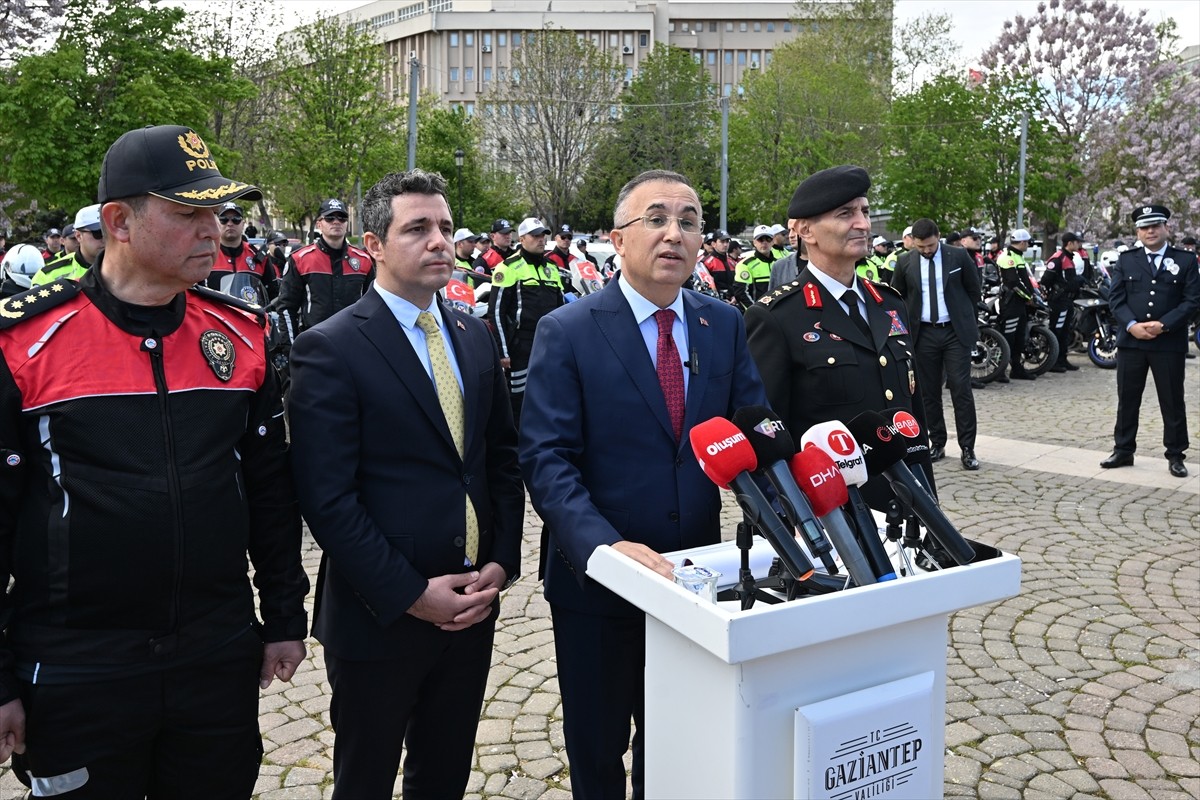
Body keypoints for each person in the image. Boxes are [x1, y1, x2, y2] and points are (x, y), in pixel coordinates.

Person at [0, 123, 308, 798]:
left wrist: (285, 615)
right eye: (188, 212)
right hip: (78, 665)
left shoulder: (241, 335)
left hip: (215, 653)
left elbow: (269, 487)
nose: (214, 228)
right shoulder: (24, 343)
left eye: (218, 212)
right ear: (118, 221)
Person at [520, 169, 767, 800]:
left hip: (695, 578)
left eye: (689, 221)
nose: (674, 234)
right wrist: (604, 547)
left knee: (675, 741)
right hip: (598, 580)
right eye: (655, 219)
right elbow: (547, 458)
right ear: (616, 239)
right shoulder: (568, 330)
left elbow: (753, 435)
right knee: (598, 748)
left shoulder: (723, 324)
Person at [287, 169, 524, 799]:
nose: (439, 241)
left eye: (445, 227)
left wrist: (501, 560)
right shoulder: (330, 348)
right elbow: (327, 498)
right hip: (379, 615)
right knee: (364, 777)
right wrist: (412, 593)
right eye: (417, 228)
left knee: (442, 774)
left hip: (473, 601)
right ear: (374, 244)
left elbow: (500, 457)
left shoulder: (473, 333)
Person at [745, 165, 935, 511]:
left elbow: (913, 415)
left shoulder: (889, 303)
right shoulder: (776, 316)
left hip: (905, 502)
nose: (863, 224)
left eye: (864, 211)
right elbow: (770, 436)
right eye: (845, 214)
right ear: (806, 231)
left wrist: (928, 502)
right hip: (834, 512)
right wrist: (793, 518)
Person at [1101, 204, 1200, 478]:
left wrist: (1163, 325)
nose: (1150, 231)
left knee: (1172, 400)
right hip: (1132, 342)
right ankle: (1123, 450)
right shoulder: (1126, 259)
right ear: (1137, 232)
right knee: (1127, 398)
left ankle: (1176, 454)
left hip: (1168, 343)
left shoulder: (1186, 260)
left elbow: (1192, 301)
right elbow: (1116, 298)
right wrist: (1132, 326)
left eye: (1156, 225)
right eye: (1144, 227)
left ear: (1167, 227)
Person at [890, 218, 982, 470]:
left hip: (954, 332)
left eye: (930, 245)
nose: (926, 250)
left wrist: (963, 317)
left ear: (938, 237)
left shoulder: (959, 257)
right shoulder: (904, 261)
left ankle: (967, 448)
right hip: (923, 334)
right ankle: (937, 442)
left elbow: (974, 290)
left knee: (961, 388)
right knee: (928, 392)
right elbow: (896, 296)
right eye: (920, 247)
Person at [489, 217, 565, 425]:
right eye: (535, 236)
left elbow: (562, 311)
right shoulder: (508, 267)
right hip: (520, 347)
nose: (541, 240)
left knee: (550, 395)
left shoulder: (552, 267)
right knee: (519, 401)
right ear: (522, 239)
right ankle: (518, 450)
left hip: (549, 346)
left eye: (543, 235)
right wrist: (503, 351)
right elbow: (496, 312)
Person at [275, 199, 374, 331]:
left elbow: (373, 306)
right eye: (329, 217)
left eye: (342, 217)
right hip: (314, 340)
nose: (336, 221)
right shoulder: (300, 259)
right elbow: (287, 308)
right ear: (319, 224)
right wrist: (290, 348)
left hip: (352, 340)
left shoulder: (364, 260)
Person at [204, 201, 280, 298]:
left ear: (243, 224)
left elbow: (273, 293)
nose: (230, 224)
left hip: (250, 311)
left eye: (236, 219)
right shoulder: (206, 254)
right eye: (224, 219)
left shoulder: (258, 256)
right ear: (217, 223)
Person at [995, 228, 1038, 380]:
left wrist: (1034, 293)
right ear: (1022, 242)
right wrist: (1028, 297)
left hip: (1019, 303)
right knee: (1008, 337)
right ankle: (999, 371)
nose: (1028, 245)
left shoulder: (1018, 256)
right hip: (1011, 302)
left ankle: (1017, 368)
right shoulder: (1007, 256)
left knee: (1019, 337)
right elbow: (1013, 282)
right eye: (1027, 242)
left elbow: (1025, 279)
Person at [1040, 232, 1084, 372]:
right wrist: (1059, 289)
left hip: (1067, 300)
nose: (1079, 244)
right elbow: (1046, 279)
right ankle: (1053, 362)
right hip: (1059, 301)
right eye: (1077, 242)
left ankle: (1062, 359)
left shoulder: (1068, 258)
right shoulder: (1058, 258)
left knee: (1065, 331)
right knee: (1057, 331)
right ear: (1069, 243)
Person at [31, 204, 104, 285]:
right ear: (78, 236)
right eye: (99, 233)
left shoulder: (120, 268)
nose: (106, 239)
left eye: (111, 233)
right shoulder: (48, 275)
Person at [733, 224, 775, 307]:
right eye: (760, 239)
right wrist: (755, 311)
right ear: (754, 242)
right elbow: (740, 293)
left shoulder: (779, 263)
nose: (764, 242)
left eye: (768, 239)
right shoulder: (745, 264)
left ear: (773, 242)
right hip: (757, 314)